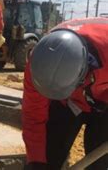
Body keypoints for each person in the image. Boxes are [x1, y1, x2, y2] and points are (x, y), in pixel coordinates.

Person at [22, 17, 108, 170]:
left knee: (100, 161)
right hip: (68, 103)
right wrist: (36, 161)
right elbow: (33, 116)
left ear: (85, 70)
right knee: (46, 156)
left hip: (104, 99)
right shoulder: (38, 66)